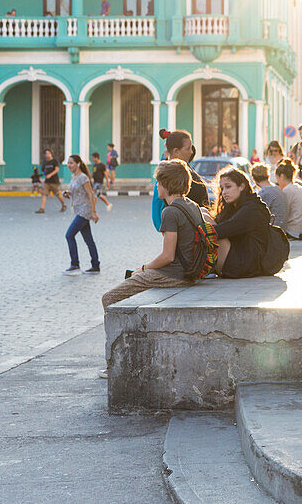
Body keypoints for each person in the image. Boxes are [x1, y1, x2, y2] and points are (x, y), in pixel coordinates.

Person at [99, 159, 206, 377]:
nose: (156, 186)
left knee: (109, 299)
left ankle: (114, 364)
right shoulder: (191, 206)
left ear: (166, 184)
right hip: (188, 272)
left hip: (172, 275)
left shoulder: (170, 212)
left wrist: (144, 268)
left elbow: (167, 256)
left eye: (158, 182)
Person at [212, 167, 273, 278]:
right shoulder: (235, 206)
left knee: (209, 229)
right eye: (222, 188)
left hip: (244, 264)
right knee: (204, 216)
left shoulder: (252, 208)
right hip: (238, 257)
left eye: (228, 187)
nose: (224, 192)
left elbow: (224, 230)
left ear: (242, 186)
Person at [151, 129, 210, 231]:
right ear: (176, 151)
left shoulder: (183, 171)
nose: (191, 152)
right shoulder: (173, 177)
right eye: (188, 149)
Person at [62, 154, 101, 275]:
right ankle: (95, 266)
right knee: (89, 240)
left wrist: (94, 212)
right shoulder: (74, 177)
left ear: (78, 164)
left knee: (69, 235)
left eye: (71, 163)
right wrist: (68, 193)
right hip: (78, 210)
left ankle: (75, 265)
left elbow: (90, 195)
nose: (69, 165)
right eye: (68, 163)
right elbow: (78, 193)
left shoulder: (83, 178)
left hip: (85, 211)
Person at [275, 159, 302, 236]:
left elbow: (282, 213)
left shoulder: (287, 190)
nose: (277, 182)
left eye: (277, 179)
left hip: (294, 231)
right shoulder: (298, 187)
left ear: (281, 176)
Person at [251, 163, 288, 231]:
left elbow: (256, 215)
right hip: (283, 228)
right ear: (268, 176)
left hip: (274, 231)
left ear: (253, 179)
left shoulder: (264, 193)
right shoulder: (277, 188)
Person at [36, 149, 66, 213]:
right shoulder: (45, 162)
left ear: (51, 154)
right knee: (44, 194)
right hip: (47, 181)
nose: (47, 155)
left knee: (57, 194)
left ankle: (63, 204)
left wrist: (50, 174)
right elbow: (43, 170)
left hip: (54, 181)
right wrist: (45, 174)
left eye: (49, 153)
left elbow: (57, 170)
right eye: (46, 153)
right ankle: (42, 208)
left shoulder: (54, 161)